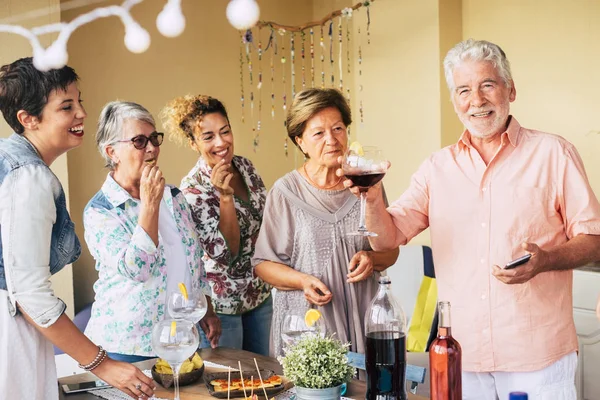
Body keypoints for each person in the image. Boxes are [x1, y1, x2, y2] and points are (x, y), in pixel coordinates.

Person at [344, 39, 600, 399]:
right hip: (461, 359)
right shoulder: (437, 167)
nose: (476, 100)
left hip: (538, 359)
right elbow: (386, 238)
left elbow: (593, 238)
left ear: (510, 89)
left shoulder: (554, 153)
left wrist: (547, 260)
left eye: (487, 85)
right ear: (454, 101)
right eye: (464, 90)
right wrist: (370, 197)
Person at [0, 58, 154, 399]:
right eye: (67, 106)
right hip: (11, 335)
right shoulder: (29, 177)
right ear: (28, 119)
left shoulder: (10, 161)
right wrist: (102, 364)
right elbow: (29, 293)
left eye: (79, 101)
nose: (82, 113)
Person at [252, 88, 399, 359]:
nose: (331, 140)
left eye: (338, 129)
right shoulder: (285, 192)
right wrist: (302, 281)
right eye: (318, 133)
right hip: (306, 326)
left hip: (362, 316)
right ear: (301, 142)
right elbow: (263, 264)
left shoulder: (367, 181)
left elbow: (391, 250)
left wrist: (371, 258)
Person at [83, 101, 221, 362]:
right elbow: (138, 269)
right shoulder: (101, 211)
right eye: (138, 141)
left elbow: (193, 260)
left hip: (180, 339)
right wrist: (149, 205)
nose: (152, 148)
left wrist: (207, 310)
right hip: (128, 347)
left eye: (154, 138)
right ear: (112, 152)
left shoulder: (174, 196)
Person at [161, 95, 272, 355]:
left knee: (267, 377)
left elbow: (266, 223)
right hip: (223, 307)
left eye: (225, 131)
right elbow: (227, 254)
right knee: (232, 384)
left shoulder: (245, 167)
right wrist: (225, 197)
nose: (221, 142)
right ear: (193, 143)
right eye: (208, 136)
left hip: (260, 294)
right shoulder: (193, 189)